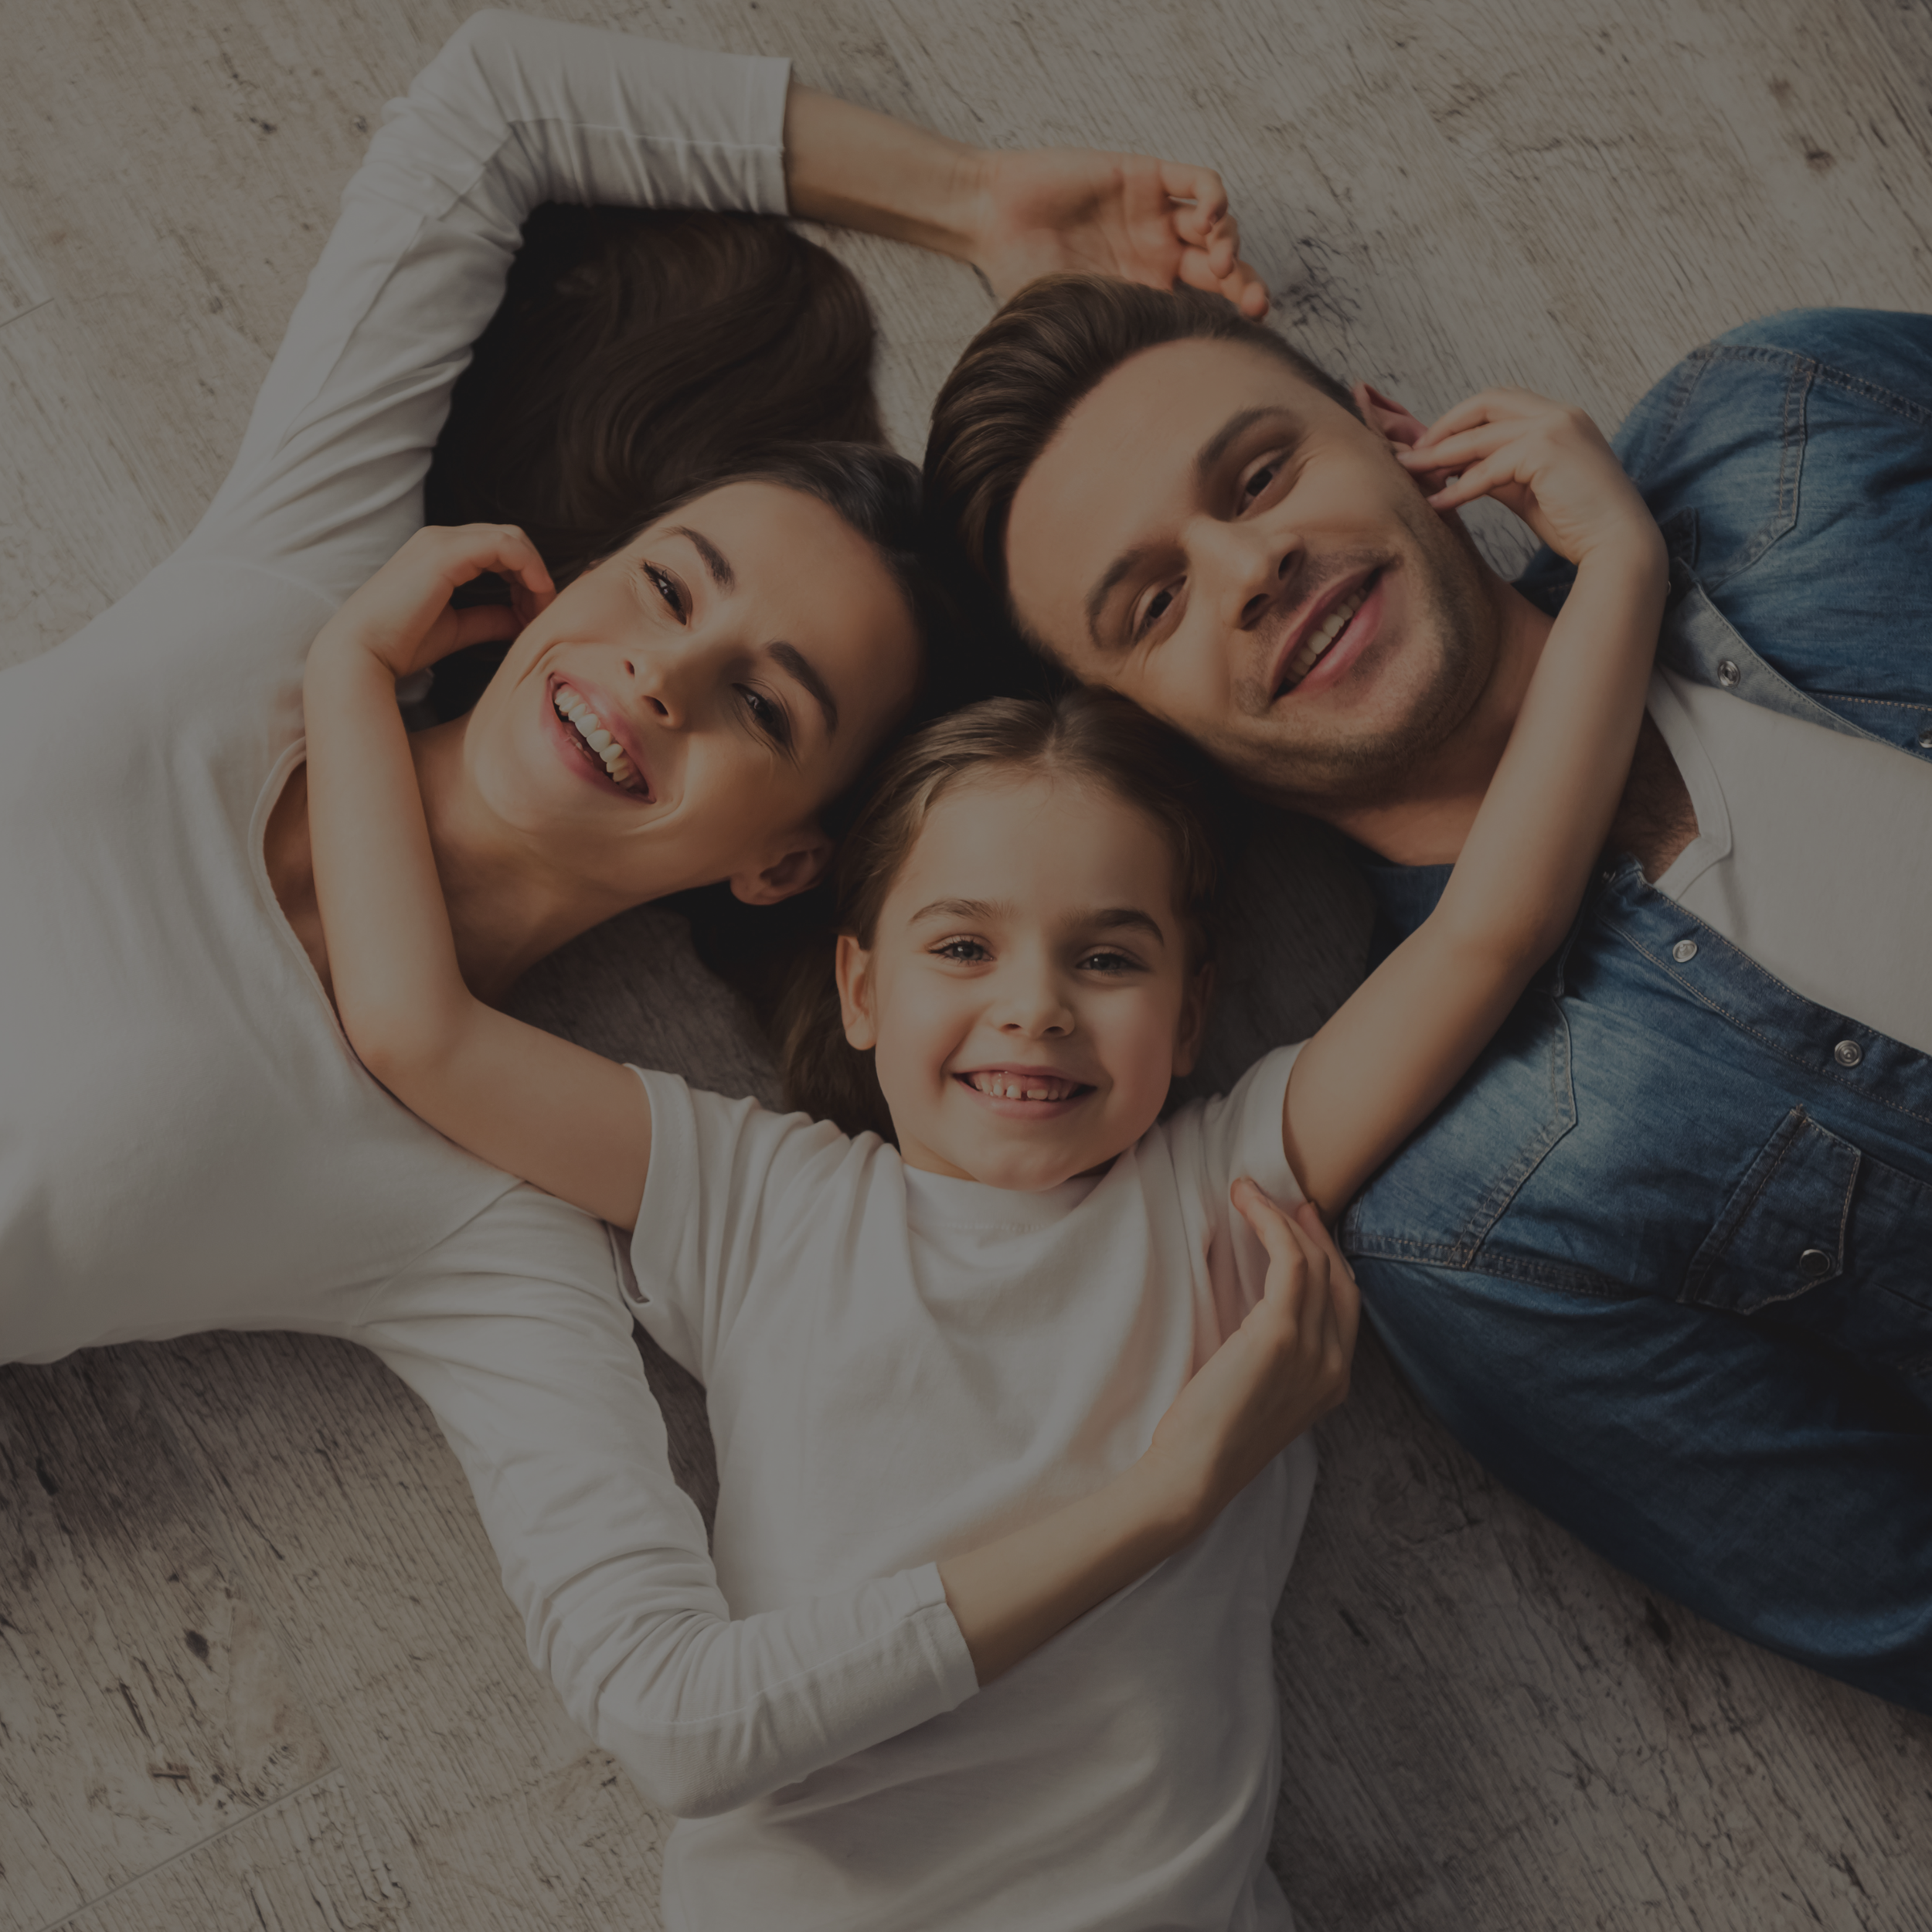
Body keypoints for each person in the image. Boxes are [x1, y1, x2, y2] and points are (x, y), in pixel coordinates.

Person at [0, 6, 1286, 1828]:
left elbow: (680, 1714)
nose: (658, 675)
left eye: (765, 708)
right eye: (664, 586)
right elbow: (494, 103)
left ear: (785, 863)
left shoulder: (474, 1215)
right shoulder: (287, 586)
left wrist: (1159, 1499)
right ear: (566, 572)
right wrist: (971, 201)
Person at [296, 367, 1665, 1925]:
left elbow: (1492, 923)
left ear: (1190, 994)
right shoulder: (756, 1198)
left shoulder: (1224, 1195)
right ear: (860, 982)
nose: (1034, 1013)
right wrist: (348, 668)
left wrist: (1615, 562)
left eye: (1107, 956)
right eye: (963, 948)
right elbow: (412, 1027)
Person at [920, 275, 1932, 1709]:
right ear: (1164, 750)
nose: (1249, 567)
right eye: (1156, 603)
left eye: (1260, 474)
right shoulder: (1480, 1221)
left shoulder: (1789, 421)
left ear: (1392, 431)